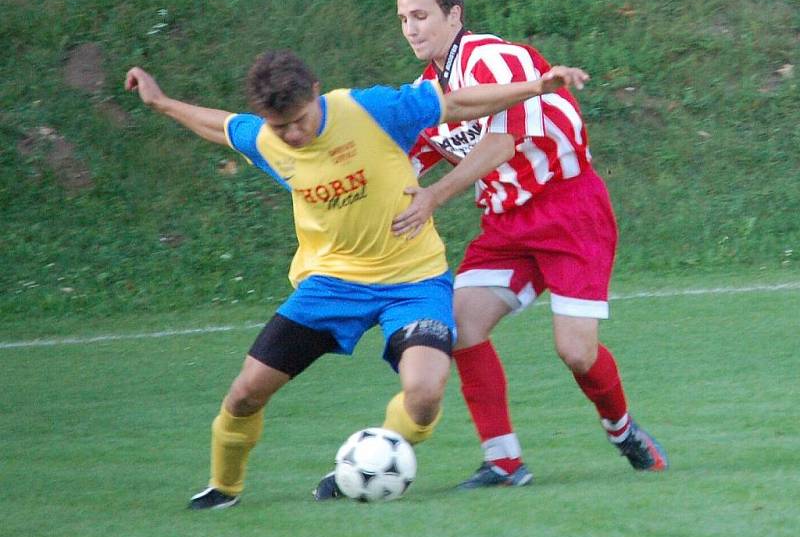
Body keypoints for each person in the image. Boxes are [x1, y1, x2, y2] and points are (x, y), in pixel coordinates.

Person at [125, 50, 589, 509]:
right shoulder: (267, 139)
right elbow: (221, 126)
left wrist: (534, 87)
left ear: (315, 92)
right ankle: (224, 487)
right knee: (246, 393)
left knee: (425, 397)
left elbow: (457, 103)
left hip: (414, 280)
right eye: (278, 125)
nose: (292, 134)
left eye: (299, 121)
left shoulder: (370, 109)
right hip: (331, 285)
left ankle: (365, 462)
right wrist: (161, 102)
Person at [390, 0, 668, 489]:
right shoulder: (427, 92)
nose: (412, 28)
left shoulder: (491, 60)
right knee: (458, 323)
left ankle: (622, 428)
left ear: (454, 15)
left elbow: (502, 143)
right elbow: (405, 162)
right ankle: (504, 461)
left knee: (576, 352)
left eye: (422, 15)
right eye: (404, 18)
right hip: (507, 225)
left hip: (569, 210)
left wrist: (434, 197)